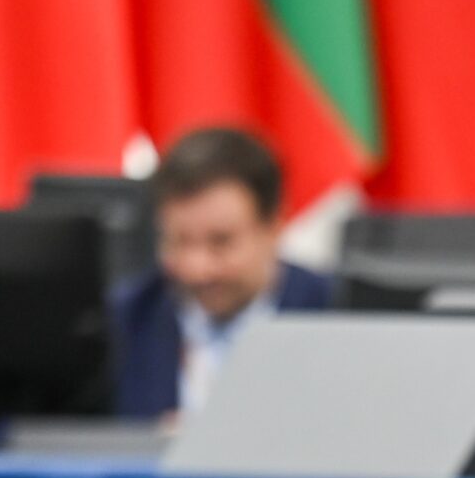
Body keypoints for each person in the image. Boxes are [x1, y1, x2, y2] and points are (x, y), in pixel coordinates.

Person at [109, 126, 331, 420]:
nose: (197, 269)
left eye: (221, 242)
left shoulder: (337, 315)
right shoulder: (123, 322)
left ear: (274, 228)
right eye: (179, 241)